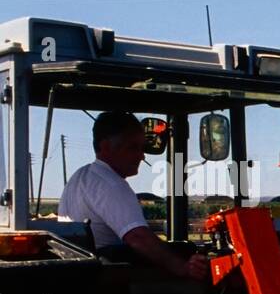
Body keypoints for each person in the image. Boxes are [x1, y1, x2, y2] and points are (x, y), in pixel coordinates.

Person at [59, 111, 207, 281]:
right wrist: (183, 267)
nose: (142, 156)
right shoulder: (111, 184)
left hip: (85, 274)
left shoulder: (80, 177)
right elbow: (138, 238)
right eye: (133, 147)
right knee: (185, 254)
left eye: (142, 148)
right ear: (106, 147)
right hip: (111, 279)